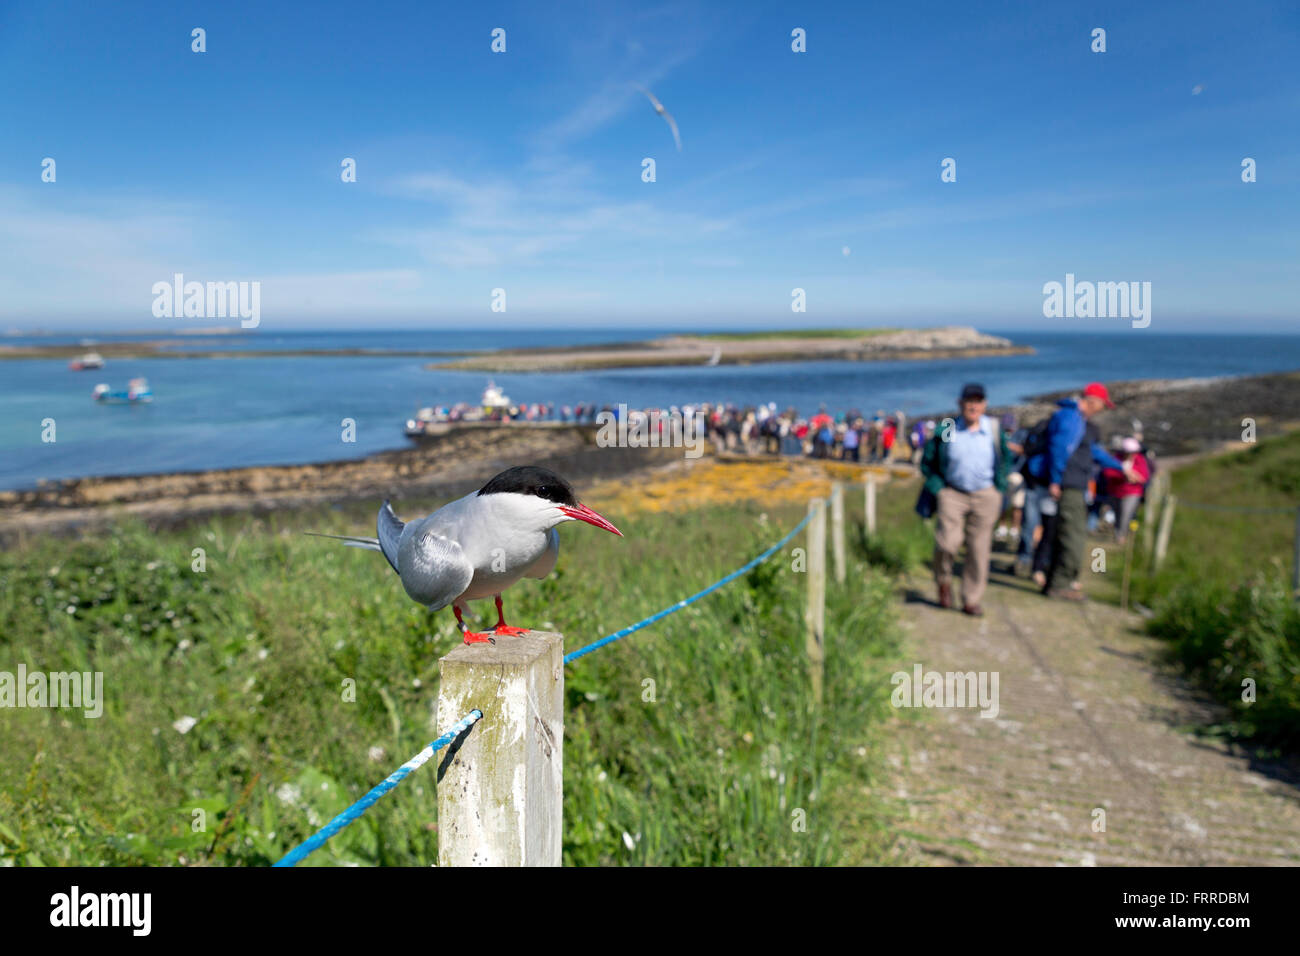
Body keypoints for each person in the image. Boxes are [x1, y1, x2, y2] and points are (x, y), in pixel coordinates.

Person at [1024, 382, 1139, 601]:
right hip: (1069, 485)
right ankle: (1062, 583)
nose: (1102, 409)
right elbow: (1060, 448)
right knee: (1073, 535)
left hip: (1070, 483)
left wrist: (1121, 467)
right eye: (1102, 405)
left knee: (1061, 533)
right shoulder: (1071, 418)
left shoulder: (1077, 420)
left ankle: (1054, 580)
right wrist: (1056, 480)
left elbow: (1091, 450)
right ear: (1092, 401)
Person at [919, 383, 1012, 617]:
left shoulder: (992, 428)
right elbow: (928, 460)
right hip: (953, 493)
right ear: (960, 404)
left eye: (978, 401)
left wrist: (999, 488)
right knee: (947, 543)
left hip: (985, 494)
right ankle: (944, 581)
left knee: (978, 550)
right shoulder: (949, 427)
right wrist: (938, 488)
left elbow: (1005, 459)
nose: (973, 405)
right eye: (969, 401)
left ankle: (971, 599)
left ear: (985, 404)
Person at [1101, 437, 1150, 544]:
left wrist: (1136, 477)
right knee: (1117, 513)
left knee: (1126, 512)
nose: (1131, 454)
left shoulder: (1140, 460)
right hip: (1116, 492)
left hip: (1133, 492)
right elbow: (1107, 472)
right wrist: (1123, 475)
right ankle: (1117, 533)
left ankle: (1121, 536)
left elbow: (1145, 476)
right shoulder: (1116, 459)